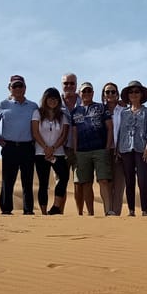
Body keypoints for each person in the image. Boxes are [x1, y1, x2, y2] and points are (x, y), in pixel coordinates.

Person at [0, 75, 39, 215]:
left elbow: (37, 125)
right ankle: (6, 209)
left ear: (25, 88)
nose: (18, 89)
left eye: (20, 86)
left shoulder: (33, 106)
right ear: (9, 88)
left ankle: (28, 210)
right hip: (9, 147)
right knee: (8, 180)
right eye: (15, 86)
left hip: (27, 147)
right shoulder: (3, 105)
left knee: (27, 180)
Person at [71, 82, 114, 216]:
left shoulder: (101, 107)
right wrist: (75, 150)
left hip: (100, 149)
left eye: (89, 91)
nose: (87, 93)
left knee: (103, 180)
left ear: (93, 93)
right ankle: (90, 213)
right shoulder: (75, 111)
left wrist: (107, 147)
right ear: (80, 93)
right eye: (84, 91)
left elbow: (110, 128)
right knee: (85, 183)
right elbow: (74, 132)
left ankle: (108, 210)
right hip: (82, 151)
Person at [118, 80, 147, 216]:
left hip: (142, 149)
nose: (134, 94)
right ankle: (131, 210)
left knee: (143, 180)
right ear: (128, 95)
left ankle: (144, 210)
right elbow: (120, 132)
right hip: (126, 149)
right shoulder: (124, 113)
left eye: (136, 91)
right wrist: (118, 150)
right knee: (129, 181)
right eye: (131, 92)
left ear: (141, 94)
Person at [31, 87, 70, 215]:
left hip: (57, 152)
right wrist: (45, 147)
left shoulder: (62, 116)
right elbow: (35, 132)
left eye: (55, 99)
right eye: (50, 98)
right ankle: (43, 211)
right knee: (43, 182)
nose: (52, 101)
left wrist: (53, 148)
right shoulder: (37, 113)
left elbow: (64, 135)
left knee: (64, 177)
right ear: (45, 99)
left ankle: (56, 206)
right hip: (41, 152)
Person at [102, 81, 125, 216]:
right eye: (107, 92)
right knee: (106, 182)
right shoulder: (99, 110)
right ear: (104, 95)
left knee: (119, 184)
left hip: (120, 151)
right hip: (104, 150)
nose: (110, 94)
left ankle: (116, 213)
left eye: (113, 92)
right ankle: (108, 211)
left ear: (117, 94)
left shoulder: (124, 110)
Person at [60, 73, 81, 215]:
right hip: (61, 148)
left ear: (76, 84)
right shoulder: (54, 102)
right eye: (66, 83)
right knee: (60, 182)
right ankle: (59, 213)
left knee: (79, 183)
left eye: (72, 83)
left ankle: (80, 214)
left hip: (80, 148)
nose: (69, 86)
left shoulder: (84, 101)